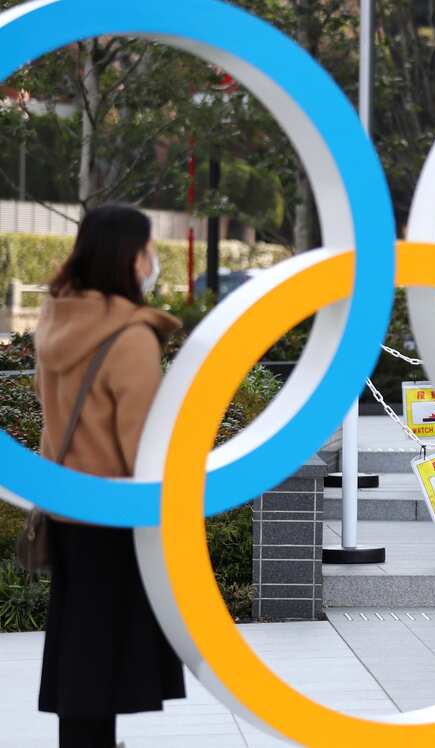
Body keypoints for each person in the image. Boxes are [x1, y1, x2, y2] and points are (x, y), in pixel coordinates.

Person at [35, 204, 185, 747]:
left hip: (67, 507)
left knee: (80, 644)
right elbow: (141, 445)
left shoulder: (58, 319)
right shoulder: (130, 338)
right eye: (148, 250)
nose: (152, 261)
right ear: (129, 257)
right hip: (116, 513)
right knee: (110, 649)